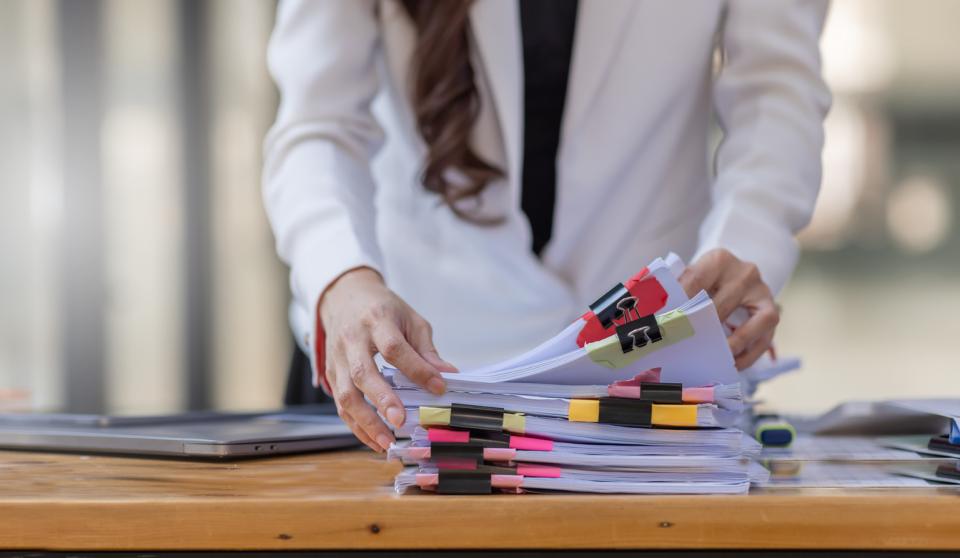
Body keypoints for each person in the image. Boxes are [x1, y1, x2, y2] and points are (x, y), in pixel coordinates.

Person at [263, 0, 831, 452]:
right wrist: (341, 274)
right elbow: (318, 124)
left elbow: (777, 90)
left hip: (646, 382)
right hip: (399, 373)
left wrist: (750, 236)